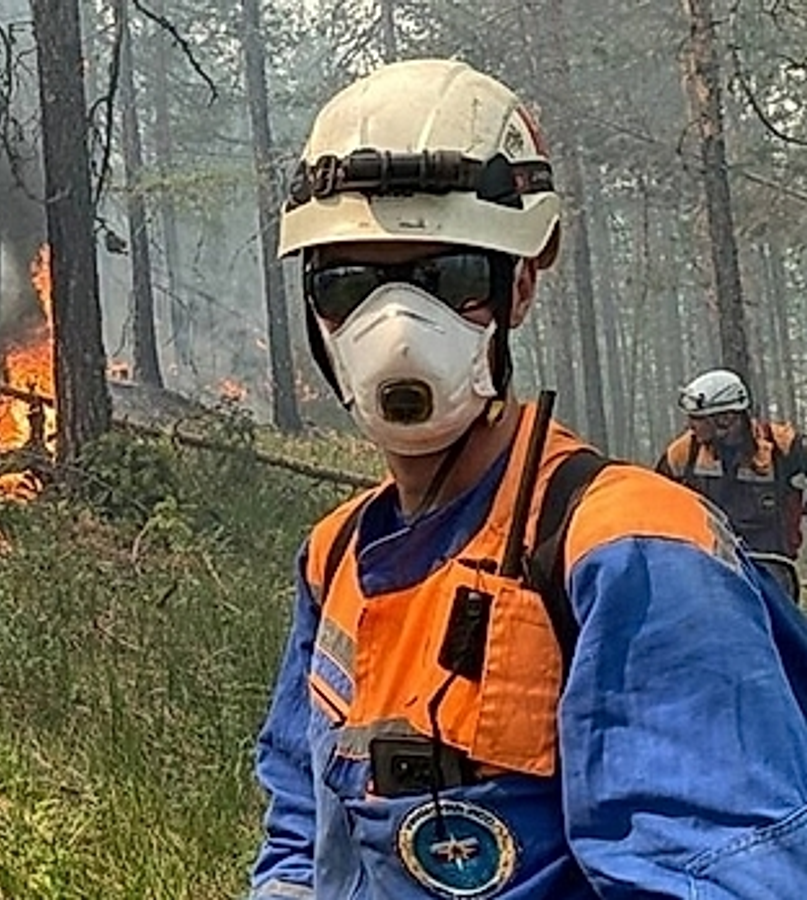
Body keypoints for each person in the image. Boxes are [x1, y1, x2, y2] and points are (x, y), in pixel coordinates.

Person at [249, 58, 807, 899]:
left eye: (448, 279)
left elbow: (716, 873)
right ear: (312, 302)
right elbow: (300, 828)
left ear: (522, 281)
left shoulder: (632, 551)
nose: (395, 327)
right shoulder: (335, 559)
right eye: (350, 282)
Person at [655, 368, 807, 599]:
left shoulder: (780, 445)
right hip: (710, 564)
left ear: (726, 418)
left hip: (772, 565)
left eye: (698, 418)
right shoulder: (684, 453)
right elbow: (657, 499)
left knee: (781, 630)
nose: (690, 425)